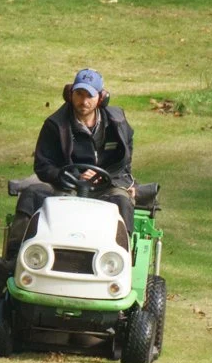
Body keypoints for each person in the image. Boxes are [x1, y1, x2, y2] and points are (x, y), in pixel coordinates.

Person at [11, 67, 136, 256]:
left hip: (107, 184)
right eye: (79, 94)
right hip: (65, 183)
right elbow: (43, 166)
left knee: (123, 202)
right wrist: (74, 176)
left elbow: (124, 161)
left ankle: (120, 260)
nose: (83, 101)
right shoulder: (55, 125)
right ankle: (15, 258)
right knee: (30, 194)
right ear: (70, 94)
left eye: (89, 96)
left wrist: (122, 182)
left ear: (101, 98)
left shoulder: (117, 123)